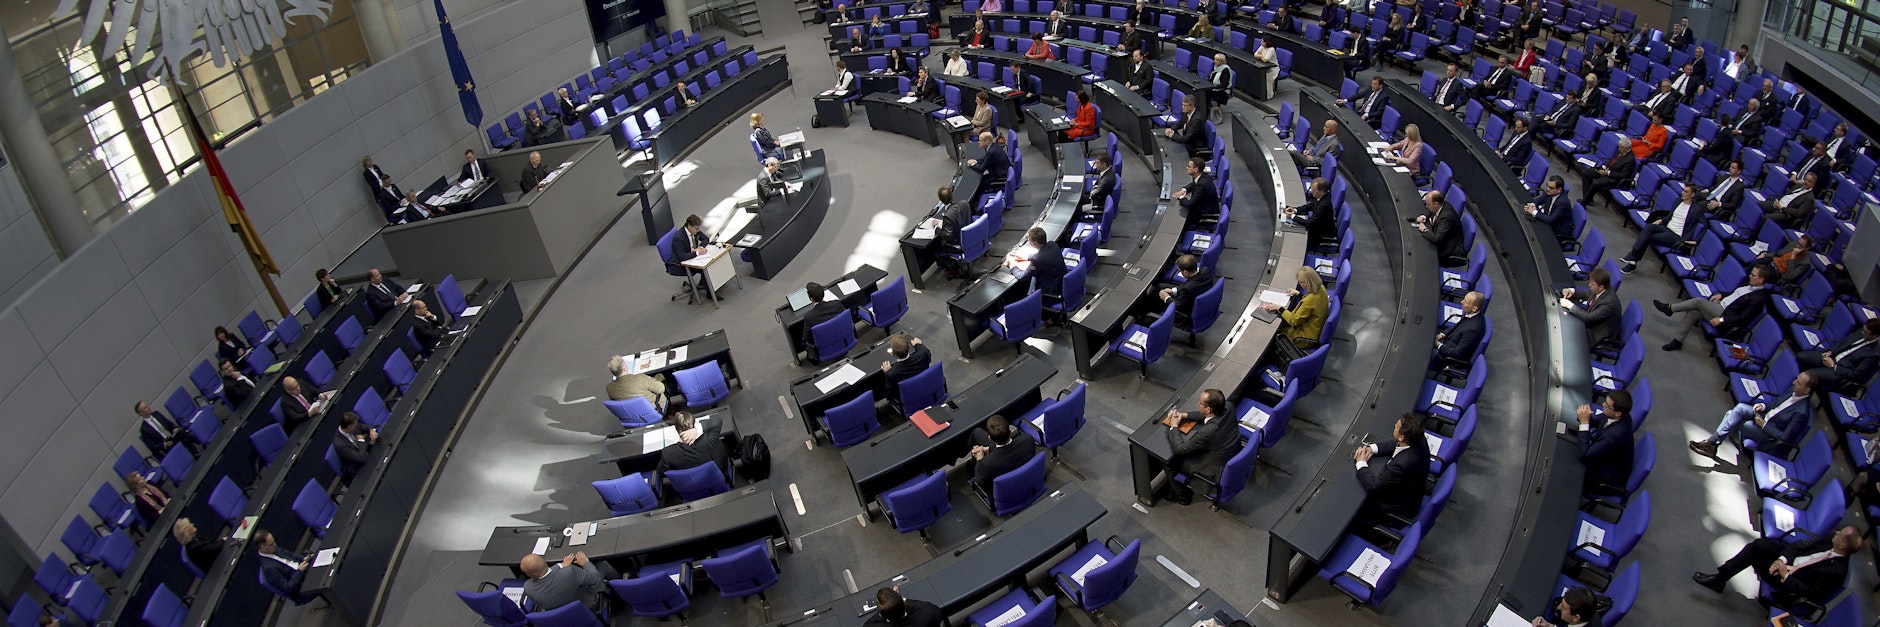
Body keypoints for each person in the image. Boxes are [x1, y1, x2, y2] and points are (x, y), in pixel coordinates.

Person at [1693, 525, 1860, 611]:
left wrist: (1785, 574)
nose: (1836, 532)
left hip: (1791, 582)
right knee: (1759, 545)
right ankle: (1721, 577)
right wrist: (1782, 559)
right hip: (1791, 560)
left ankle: (1720, 578)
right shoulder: (1831, 539)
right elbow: (1801, 545)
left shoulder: (1836, 571)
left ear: (1843, 545)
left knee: (1754, 554)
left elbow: (1810, 592)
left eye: (1840, 534)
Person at [1690, 372, 1815, 456]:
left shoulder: (1802, 413)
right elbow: (1776, 402)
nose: (1794, 382)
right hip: (1763, 417)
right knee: (1739, 409)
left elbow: (1785, 437)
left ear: (1807, 390)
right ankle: (1712, 444)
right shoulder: (1792, 391)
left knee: (1731, 416)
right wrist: (1764, 406)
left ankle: (1711, 443)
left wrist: (1764, 425)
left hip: (1767, 433)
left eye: (1798, 382)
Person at [1657, 264, 1775, 351]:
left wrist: (1721, 320)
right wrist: (1721, 295)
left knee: (1699, 301)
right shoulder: (1749, 284)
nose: (1750, 276)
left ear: (1761, 279)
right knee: (1693, 313)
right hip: (1720, 305)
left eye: (1753, 275)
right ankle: (1678, 341)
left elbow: (1743, 318)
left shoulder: (1758, 299)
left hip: (1725, 315)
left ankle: (1670, 308)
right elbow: (1735, 295)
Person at [1161, 389, 1241, 504]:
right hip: (1230, 451)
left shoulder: (1207, 432)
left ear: (1208, 409)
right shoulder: (1228, 406)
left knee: (1168, 461)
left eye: (1200, 402)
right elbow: (1206, 416)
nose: (1198, 402)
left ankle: (1182, 496)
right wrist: (1183, 415)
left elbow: (1181, 449)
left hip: (1211, 468)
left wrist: (1174, 425)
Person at [1354, 413, 1431, 522]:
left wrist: (1361, 463)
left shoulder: (1401, 465)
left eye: (1396, 427)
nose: (1394, 426)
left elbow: (1374, 486)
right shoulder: (1418, 438)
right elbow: (1396, 444)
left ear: (1402, 436)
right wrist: (1371, 449)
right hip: (1411, 492)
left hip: (1396, 508)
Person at [1619, 183, 1705, 273]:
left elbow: (1705, 226)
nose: (1683, 193)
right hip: (1666, 228)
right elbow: (1669, 217)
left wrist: (1696, 241)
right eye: (1683, 190)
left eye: (1686, 192)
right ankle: (1632, 258)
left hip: (1676, 236)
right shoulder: (1678, 201)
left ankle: (1632, 258)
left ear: (1692, 194)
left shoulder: (1696, 210)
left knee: (1648, 237)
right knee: (1649, 227)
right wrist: (1661, 220)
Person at [1797, 319, 1880, 395]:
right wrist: (1831, 352)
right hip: (1831, 357)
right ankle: (1799, 384)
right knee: (1801, 356)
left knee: (1808, 376)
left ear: (1875, 335)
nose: (1862, 332)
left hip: (1838, 373)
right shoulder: (1861, 333)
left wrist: (1834, 366)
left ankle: (1802, 393)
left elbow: (1856, 375)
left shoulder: (1873, 354)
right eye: (1863, 329)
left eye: (1866, 332)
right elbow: (1842, 342)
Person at [1575, 390, 1634, 495]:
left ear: (1618, 413)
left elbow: (1585, 455)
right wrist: (1585, 416)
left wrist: (1584, 422)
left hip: (1603, 477)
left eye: (1606, 406)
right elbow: (1595, 420)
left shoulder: (1614, 436)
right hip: (1605, 458)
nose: (1603, 405)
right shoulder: (1617, 416)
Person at [1263, 267, 1330, 348]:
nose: (1300, 284)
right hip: (1314, 329)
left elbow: (1294, 321)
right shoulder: (1321, 288)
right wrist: (1299, 294)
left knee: (1271, 333)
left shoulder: (1309, 301)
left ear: (1306, 283)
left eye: (1300, 282)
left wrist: (1279, 308)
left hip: (1303, 338)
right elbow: (1312, 304)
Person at [520, 552, 606, 614]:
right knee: (603, 565)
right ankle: (616, 587)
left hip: (561, 616)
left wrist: (560, 566)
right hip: (586, 607)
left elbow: (545, 575)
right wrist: (586, 564)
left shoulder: (528, 587)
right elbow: (595, 578)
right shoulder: (569, 572)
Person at [1560, 268, 1622, 354]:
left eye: (1592, 284)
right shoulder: (1602, 289)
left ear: (1601, 287)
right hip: (1593, 323)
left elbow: (1589, 318)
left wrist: (1569, 305)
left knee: (1568, 337)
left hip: (1598, 333)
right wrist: (1572, 291)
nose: (1589, 285)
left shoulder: (1608, 304)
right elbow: (1588, 294)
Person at [968, 415, 1037, 486]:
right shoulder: (1028, 439)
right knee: (977, 432)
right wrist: (988, 449)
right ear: (1010, 431)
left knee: (976, 433)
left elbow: (980, 481)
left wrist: (979, 459)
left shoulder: (985, 464)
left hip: (1006, 488)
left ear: (990, 438)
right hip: (1027, 476)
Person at [254, 529, 319, 604]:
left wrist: (304, 558)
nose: (275, 544)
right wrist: (300, 571)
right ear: (263, 547)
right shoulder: (269, 569)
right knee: (325, 573)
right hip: (300, 586)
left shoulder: (272, 548)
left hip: (303, 569)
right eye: (271, 543)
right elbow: (288, 588)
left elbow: (290, 555)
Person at [658, 411, 729, 474]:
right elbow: (717, 421)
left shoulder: (667, 453)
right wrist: (697, 430)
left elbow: (660, 471)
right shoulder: (708, 440)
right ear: (694, 424)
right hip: (715, 474)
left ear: (676, 429)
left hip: (690, 484)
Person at [1158, 254, 1218, 330]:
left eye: (1180, 271)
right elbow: (1192, 287)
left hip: (1187, 314)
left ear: (1185, 272)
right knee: (1160, 286)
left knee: (1161, 298)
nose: (1179, 272)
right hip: (1201, 302)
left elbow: (1178, 306)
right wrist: (1173, 291)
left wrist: (1166, 298)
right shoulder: (1205, 270)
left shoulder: (1186, 289)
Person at [1006, 227, 1065, 301]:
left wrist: (1012, 264)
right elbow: (1043, 255)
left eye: (1029, 241)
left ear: (1035, 243)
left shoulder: (1037, 259)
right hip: (1061, 282)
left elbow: (1021, 277)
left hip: (1051, 290)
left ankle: (1031, 300)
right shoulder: (1052, 244)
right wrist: (1026, 257)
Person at [1578, 137, 1637, 207]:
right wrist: (1603, 168)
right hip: (1606, 170)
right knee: (1586, 173)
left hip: (1614, 178)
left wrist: (1608, 173)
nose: (1619, 149)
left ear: (1626, 149)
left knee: (1595, 183)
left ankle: (1584, 202)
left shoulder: (1630, 160)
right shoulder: (1620, 151)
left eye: (1621, 148)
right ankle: (1588, 199)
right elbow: (1612, 161)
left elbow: (1624, 175)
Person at [932, 186, 975, 279]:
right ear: (952, 195)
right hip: (972, 237)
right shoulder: (964, 203)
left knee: (936, 250)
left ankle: (955, 268)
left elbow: (948, 235)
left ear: (941, 200)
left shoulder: (948, 215)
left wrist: (936, 228)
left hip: (960, 244)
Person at [1415, 190, 1467, 268]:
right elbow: (1430, 211)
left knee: (1422, 255)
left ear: (1436, 204)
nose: (1427, 207)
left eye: (1428, 204)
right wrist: (1424, 217)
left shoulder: (1446, 218)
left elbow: (1436, 239)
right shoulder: (1442, 205)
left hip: (1448, 252)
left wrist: (1424, 229)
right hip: (1444, 239)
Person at [1524, 175, 1575, 246]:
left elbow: (1551, 220)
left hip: (1557, 233)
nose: (1547, 189)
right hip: (1549, 222)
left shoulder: (1563, 202)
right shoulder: (1551, 192)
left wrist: (1533, 212)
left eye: (1551, 188)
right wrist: (1533, 204)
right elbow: (1540, 199)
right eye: (1547, 186)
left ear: (1559, 190)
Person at [332, 410, 380, 484]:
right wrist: (361, 440)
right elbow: (361, 459)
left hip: (364, 453)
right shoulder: (339, 444)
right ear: (349, 427)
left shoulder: (352, 425)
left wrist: (371, 430)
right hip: (356, 468)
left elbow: (365, 427)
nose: (357, 425)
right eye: (355, 425)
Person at [1287, 178, 1337, 248]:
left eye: (1314, 190)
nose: (1311, 191)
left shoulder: (1323, 205)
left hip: (1321, 233)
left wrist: (1292, 216)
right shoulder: (1321, 197)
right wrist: (1295, 210)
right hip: (1317, 224)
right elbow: (1309, 206)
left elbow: (1310, 224)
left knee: (1294, 238)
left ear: (1321, 191)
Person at [799, 282, 848, 352]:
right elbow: (846, 320)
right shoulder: (836, 304)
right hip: (843, 340)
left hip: (825, 349)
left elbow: (807, 338)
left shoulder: (809, 317)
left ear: (811, 299)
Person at [1174, 157, 1219, 227]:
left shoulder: (1202, 185)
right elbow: (1193, 184)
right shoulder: (1203, 176)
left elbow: (1189, 204)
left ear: (1196, 169)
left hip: (1205, 213)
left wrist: (1182, 197)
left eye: (1189, 166)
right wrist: (1184, 190)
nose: (1186, 168)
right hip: (1206, 206)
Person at [866, 587, 944, 627]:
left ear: (881, 614)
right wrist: (898, 600)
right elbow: (932, 609)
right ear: (904, 602)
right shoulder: (929, 616)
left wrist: (888, 604)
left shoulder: (871, 625)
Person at [1531, 587, 1603, 627]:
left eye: (1564, 608)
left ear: (1576, 618)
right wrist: (1550, 626)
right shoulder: (1592, 615)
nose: (1559, 608)